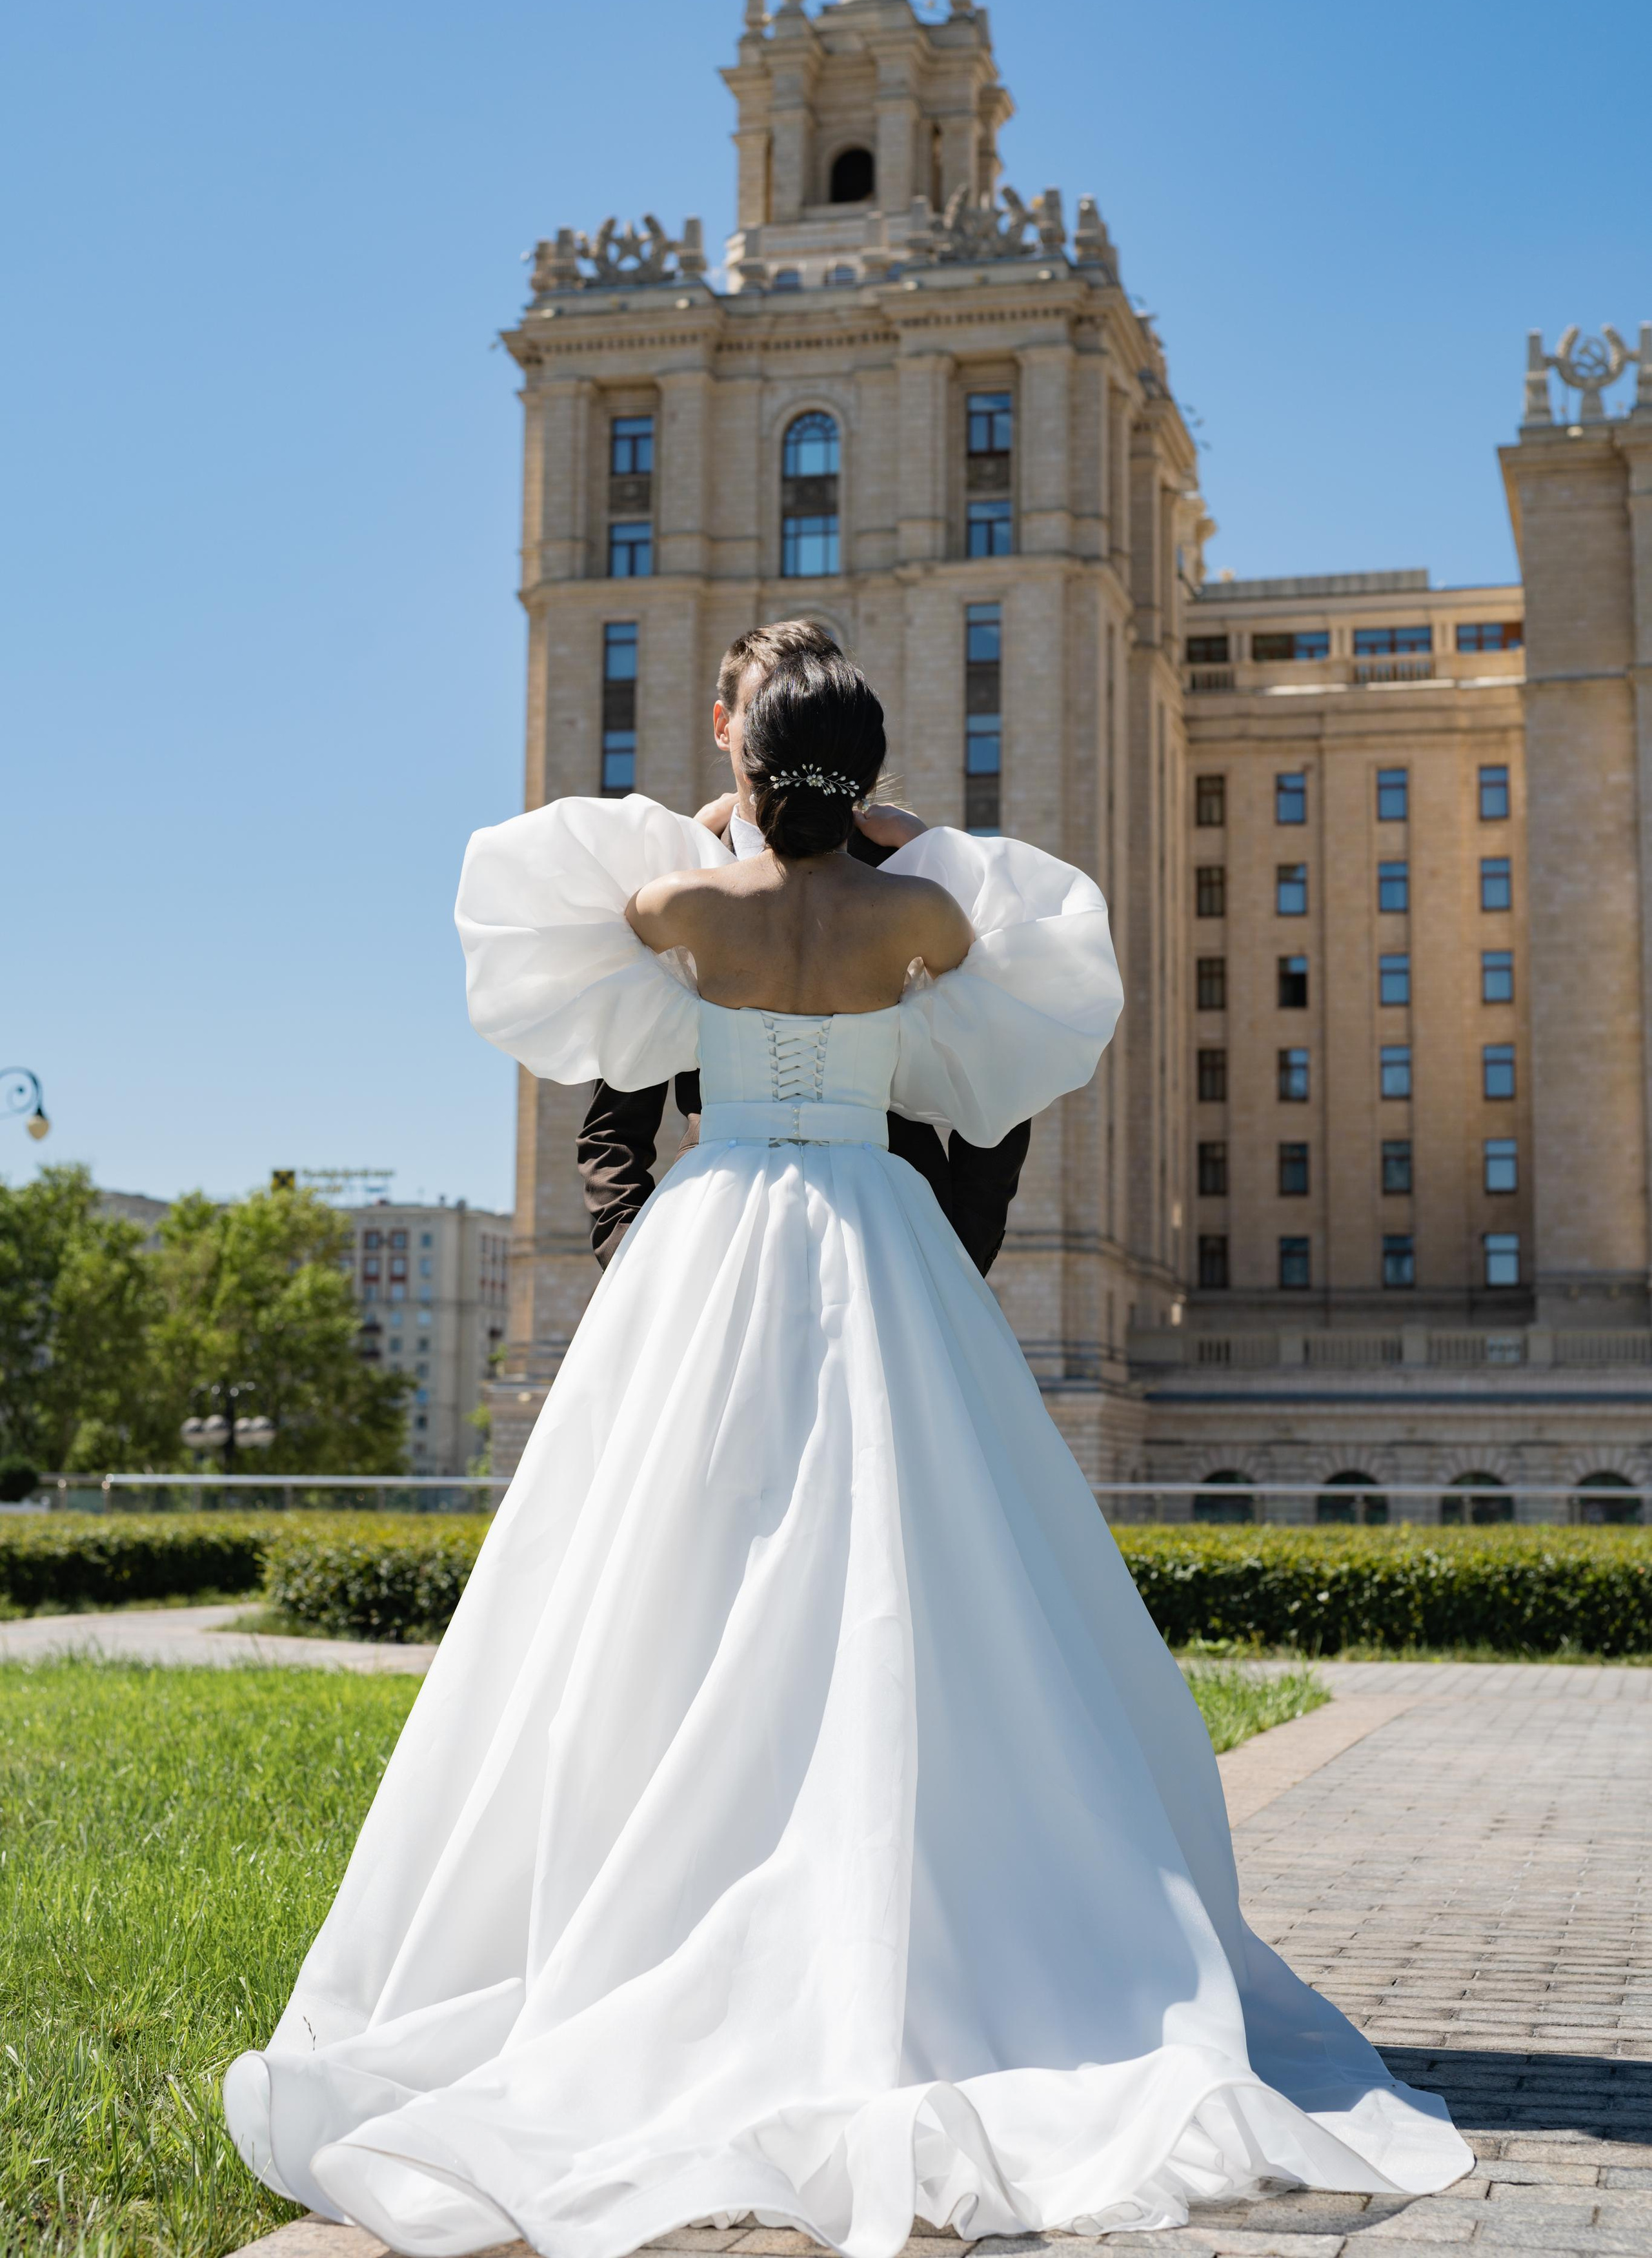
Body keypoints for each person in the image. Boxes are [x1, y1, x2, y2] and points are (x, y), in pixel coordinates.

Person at [224, 654, 1471, 2255]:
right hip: (878, 1238)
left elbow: (553, 913)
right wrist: (856, 810)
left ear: (740, 759)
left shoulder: (680, 908)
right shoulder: (924, 925)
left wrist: (752, 809)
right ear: (863, 776)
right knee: (914, 1554)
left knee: (665, 1566)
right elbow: (1011, 950)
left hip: (717, 1232)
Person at [578, 618, 1031, 1276]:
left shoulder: (920, 878)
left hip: (899, 1251)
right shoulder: (672, 880)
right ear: (725, 725)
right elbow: (614, 1117)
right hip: (702, 1249)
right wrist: (634, 1264)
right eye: (771, 711)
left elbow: (998, 1077)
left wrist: (956, 1261)